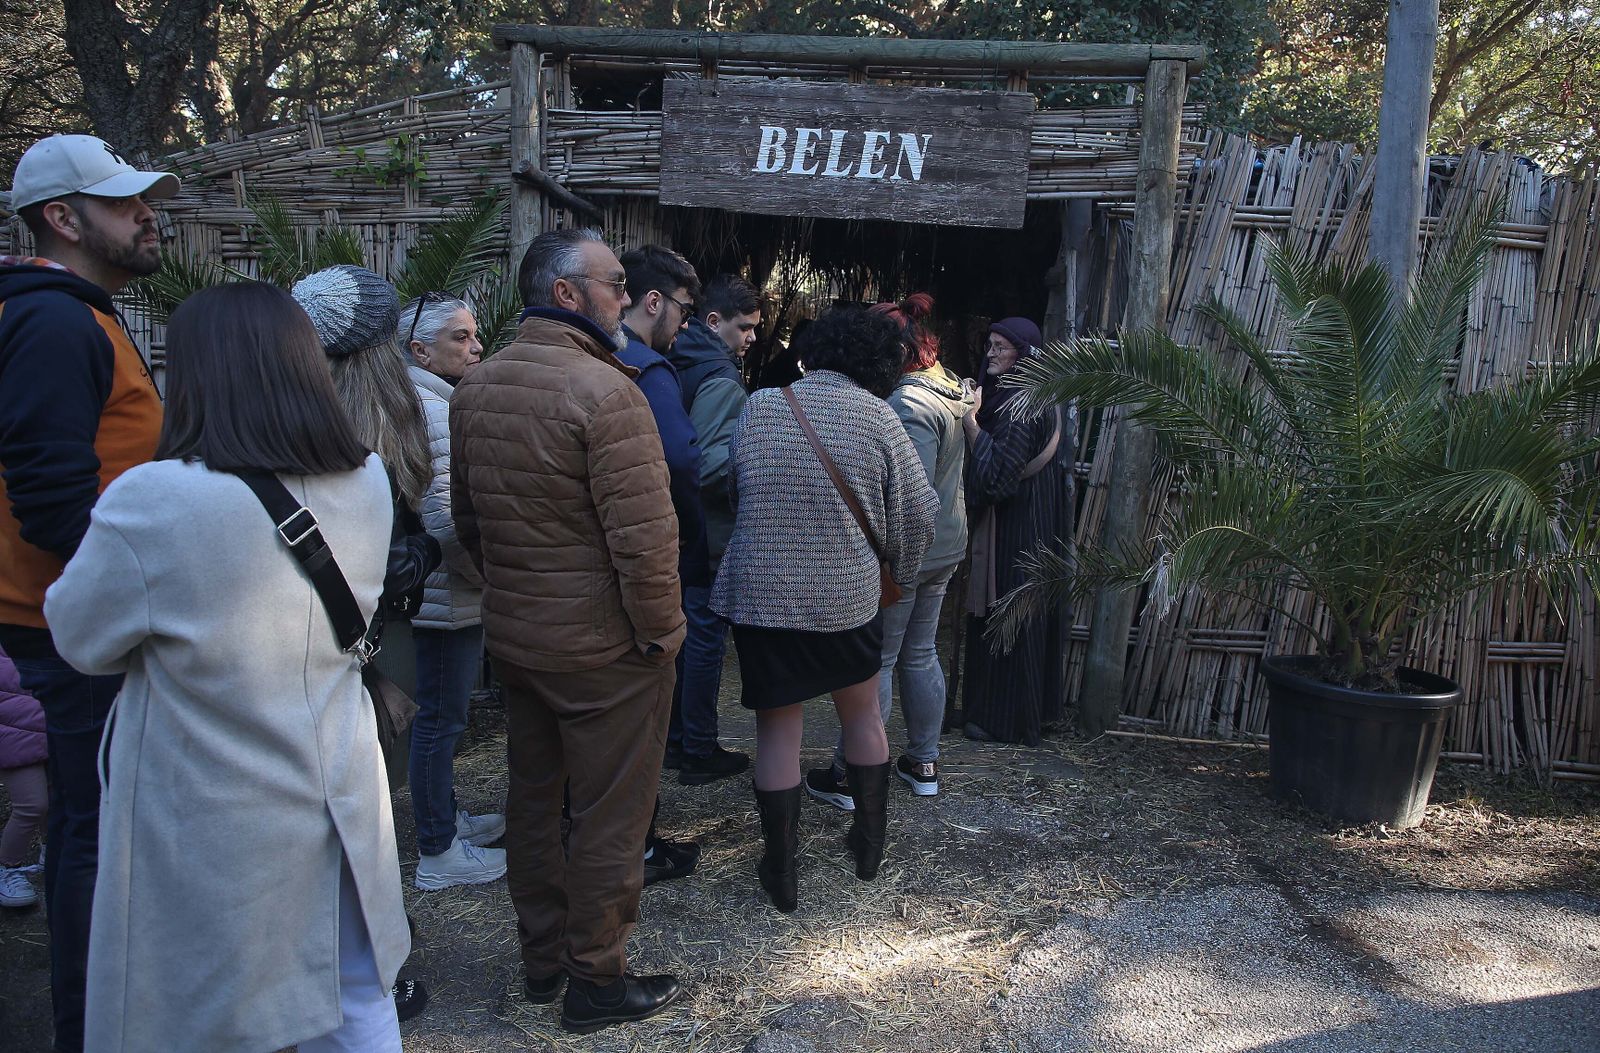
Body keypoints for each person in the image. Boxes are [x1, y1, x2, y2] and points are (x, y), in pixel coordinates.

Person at [43, 282, 411, 1052]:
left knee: (210, 1012)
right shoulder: (368, 479)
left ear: (196, 374)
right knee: (356, 991)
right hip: (341, 778)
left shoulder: (154, 500)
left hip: (211, 805)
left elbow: (80, 638)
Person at [451, 227, 685, 1032]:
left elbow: (470, 523)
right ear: (567, 295)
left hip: (519, 643)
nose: (626, 296)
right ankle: (596, 981)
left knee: (534, 803)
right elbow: (646, 544)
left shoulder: (477, 387)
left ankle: (543, 962)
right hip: (602, 653)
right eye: (614, 282)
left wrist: (517, 597)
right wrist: (662, 636)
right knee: (609, 820)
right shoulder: (607, 393)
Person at [0, 134, 176, 1052]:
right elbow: (53, 499)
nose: (147, 213)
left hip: (80, 623)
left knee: (93, 825)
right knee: (94, 834)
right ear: (63, 219)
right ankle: (92, 1028)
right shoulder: (52, 323)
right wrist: (129, 605)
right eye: (122, 202)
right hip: (76, 632)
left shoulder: (77, 316)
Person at [713, 306, 938, 913]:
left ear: (816, 351)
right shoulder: (880, 420)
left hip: (763, 596)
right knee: (862, 716)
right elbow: (921, 513)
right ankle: (867, 849)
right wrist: (898, 568)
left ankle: (781, 873)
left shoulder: (761, 405)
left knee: (778, 730)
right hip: (847, 598)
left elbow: (737, 488)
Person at [808, 294, 972, 809]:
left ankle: (851, 773)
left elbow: (910, 494)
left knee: (879, 660)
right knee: (920, 652)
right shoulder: (950, 389)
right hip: (945, 545)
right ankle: (922, 761)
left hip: (912, 551)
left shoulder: (909, 404)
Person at [397, 292, 513, 890]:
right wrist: (489, 579)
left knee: (446, 716)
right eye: (460, 339)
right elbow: (444, 515)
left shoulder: (434, 401)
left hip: (449, 589)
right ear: (420, 349)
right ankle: (438, 851)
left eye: (475, 335)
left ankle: (447, 820)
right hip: (446, 593)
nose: (476, 347)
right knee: (441, 719)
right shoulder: (429, 407)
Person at [612, 244, 706, 882]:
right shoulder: (650, 372)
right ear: (654, 303)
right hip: (645, 559)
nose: (687, 324)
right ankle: (635, 848)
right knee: (638, 720)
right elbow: (681, 461)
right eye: (684, 310)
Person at [663, 273, 762, 785]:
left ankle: (679, 740)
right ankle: (697, 747)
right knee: (703, 640)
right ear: (714, 321)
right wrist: (756, 462)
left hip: (674, 527)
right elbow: (702, 463)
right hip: (706, 531)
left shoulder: (675, 360)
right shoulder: (719, 378)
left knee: (682, 637)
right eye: (744, 328)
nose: (750, 339)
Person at [961, 317, 1077, 746]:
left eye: (999, 346)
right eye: (989, 345)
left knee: (1008, 615)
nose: (990, 353)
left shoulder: (1018, 406)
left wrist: (972, 427)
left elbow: (998, 480)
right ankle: (1028, 710)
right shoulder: (1038, 395)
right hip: (1038, 521)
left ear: (1022, 353)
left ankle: (1003, 721)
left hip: (1018, 528)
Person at [0, 646, 47, 908]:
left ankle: (52, 854)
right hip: (11, 735)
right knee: (32, 805)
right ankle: (9, 868)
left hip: (49, 725)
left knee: (56, 799)